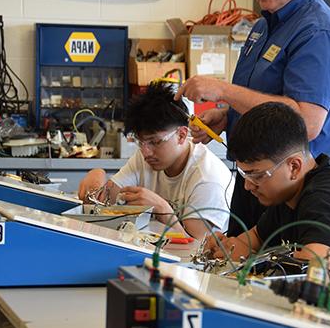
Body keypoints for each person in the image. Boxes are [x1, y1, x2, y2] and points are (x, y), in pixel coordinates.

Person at [175, 0, 330, 236]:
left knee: (278, 279)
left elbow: (306, 122)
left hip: (297, 191)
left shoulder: (318, 32)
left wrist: (223, 91)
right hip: (256, 181)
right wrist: (227, 114)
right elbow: (264, 102)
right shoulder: (263, 27)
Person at [205, 102, 330, 324]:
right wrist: (224, 249)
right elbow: (253, 240)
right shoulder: (288, 193)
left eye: (256, 175)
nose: (248, 186)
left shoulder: (326, 197)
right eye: (244, 175)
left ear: (293, 167)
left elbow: (317, 278)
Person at [78, 83, 232, 239]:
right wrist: (97, 175)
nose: (146, 152)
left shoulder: (207, 179)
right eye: (140, 142)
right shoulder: (146, 156)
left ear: (181, 135)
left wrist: (162, 209)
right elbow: (106, 200)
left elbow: (196, 249)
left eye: (154, 142)